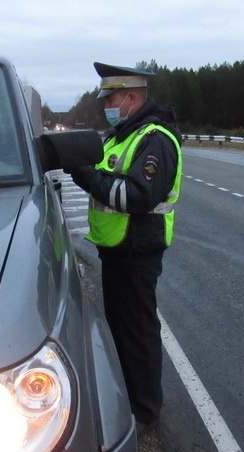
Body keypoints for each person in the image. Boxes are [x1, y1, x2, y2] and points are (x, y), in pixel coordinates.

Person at [67, 62, 183, 436]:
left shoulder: (156, 139)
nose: (107, 105)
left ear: (132, 97)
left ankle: (146, 411)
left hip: (137, 252)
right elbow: (108, 178)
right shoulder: (120, 135)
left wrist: (84, 175)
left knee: (138, 332)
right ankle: (128, 398)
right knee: (120, 328)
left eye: (112, 98)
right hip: (116, 250)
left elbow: (136, 195)